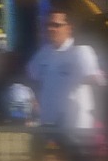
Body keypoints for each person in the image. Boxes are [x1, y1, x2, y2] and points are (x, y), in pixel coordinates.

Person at [26, 10, 105, 149]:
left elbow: (96, 81)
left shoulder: (81, 52)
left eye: (56, 25)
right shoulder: (43, 53)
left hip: (76, 130)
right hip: (49, 128)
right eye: (48, 25)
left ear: (69, 28)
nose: (51, 29)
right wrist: (34, 100)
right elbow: (31, 77)